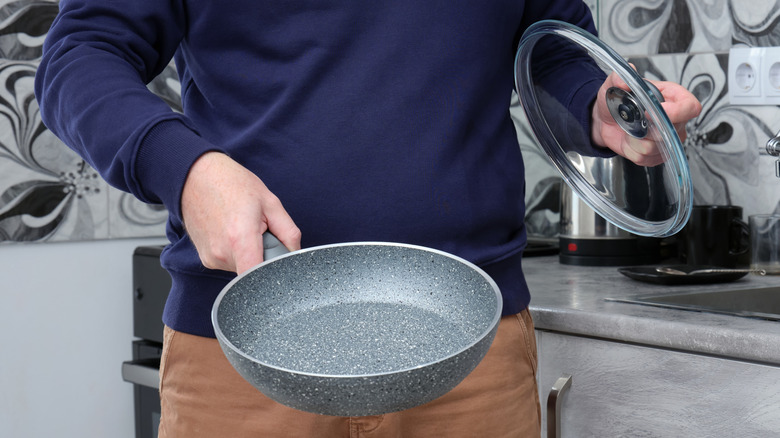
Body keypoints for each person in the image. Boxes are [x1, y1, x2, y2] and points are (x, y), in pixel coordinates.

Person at [35, 1, 702, 436]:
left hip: (471, 350)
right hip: (247, 349)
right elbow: (80, 54)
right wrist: (183, 169)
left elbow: (552, 47)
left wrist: (601, 106)